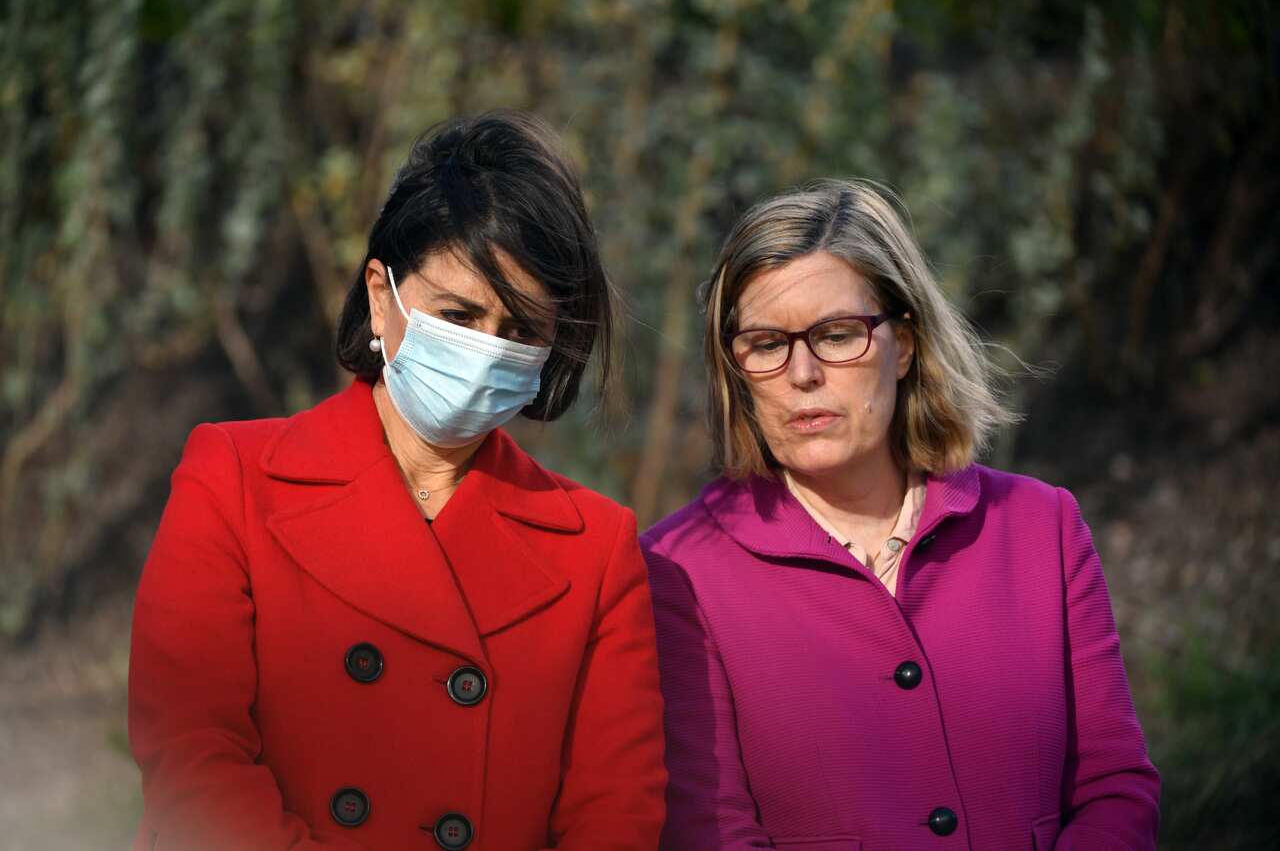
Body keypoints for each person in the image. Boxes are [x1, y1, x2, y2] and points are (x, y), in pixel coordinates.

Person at [128, 111, 666, 851]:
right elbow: (191, 753)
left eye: (520, 331)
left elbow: (615, 814)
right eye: (458, 314)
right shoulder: (233, 477)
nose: (486, 350)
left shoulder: (597, 546)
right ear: (381, 296)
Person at [642, 180, 1159, 850]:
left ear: (905, 343)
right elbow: (714, 831)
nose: (803, 373)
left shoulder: (1041, 526)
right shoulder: (679, 572)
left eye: (837, 335)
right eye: (767, 344)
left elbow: (1115, 786)